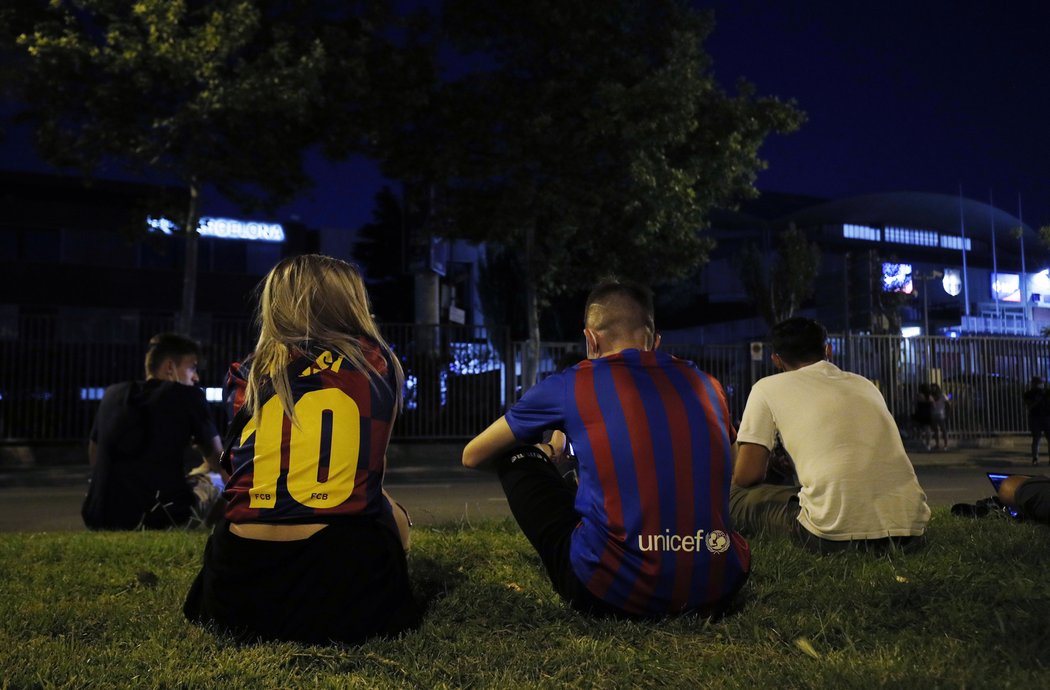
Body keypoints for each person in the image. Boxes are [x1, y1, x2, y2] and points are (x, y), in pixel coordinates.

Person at [462, 279, 750, 619]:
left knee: (513, 456)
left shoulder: (573, 382)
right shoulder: (707, 384)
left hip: (611, 593)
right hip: (717, 584)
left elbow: (474, 455)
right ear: (654, 341)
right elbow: (726, 465)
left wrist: (544, 451)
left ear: (591, 339)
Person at [184, 254, 420, 645]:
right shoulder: (378, 365)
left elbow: (241, 472)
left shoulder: (250, 371)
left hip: (236, 576)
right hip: (337, 574)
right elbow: (368, 470)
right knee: (388, 509)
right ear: (353, 302)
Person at [731, 317, 930, 553]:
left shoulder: (765, 388)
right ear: (829, 350)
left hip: (831, 536)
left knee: (734, 498)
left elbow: (747, 476)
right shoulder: (864, 384)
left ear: (776, 359)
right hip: (911, 533)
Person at [82, 333, 224, 530]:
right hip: (159, 518)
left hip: (100, 516)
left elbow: (95, 454)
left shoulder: (112, 394)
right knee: (218, 479)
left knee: (197, 472)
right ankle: (217, 539)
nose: (196, 377)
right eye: (192, 367)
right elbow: (219, 461)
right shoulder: (189, 396)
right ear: (170, 367)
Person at [1022, 376, 1050, 465]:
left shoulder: (1047, 392)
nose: (1039, 385)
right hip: (1035, 418)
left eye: (1040, 383)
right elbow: (1029, 406)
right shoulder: (1028, 394)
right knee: (1036, 439)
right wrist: (1037, 400)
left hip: (1046, 417)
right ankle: (1035, 458)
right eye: (1037, 383)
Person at [928, 382, 950, 451]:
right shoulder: (931, 396)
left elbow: (948, 403)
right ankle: (937, 444)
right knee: (935, 431)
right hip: (934, 414)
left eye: (934, 388)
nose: (933, 389)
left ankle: (946, 445)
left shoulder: (942, 395)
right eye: (932, 388)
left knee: (943, 430)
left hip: (941, 415)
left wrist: (947, 412)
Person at [912, 384, 933, 451]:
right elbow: (933, 405)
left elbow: (914, 403)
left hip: (920, 413)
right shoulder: (930, 397)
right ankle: (928, 444)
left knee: (918, 428)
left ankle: (920, 442)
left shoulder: (919, 396)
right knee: (927, 429)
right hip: (928, 414)